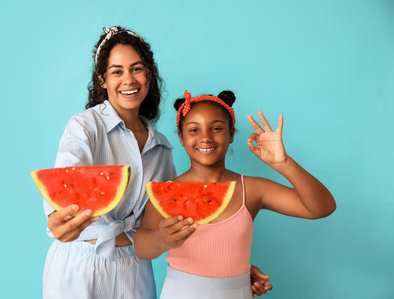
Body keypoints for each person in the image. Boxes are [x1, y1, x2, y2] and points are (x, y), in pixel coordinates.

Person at [42, 27, 272, 299]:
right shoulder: (84, 127)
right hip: (82, 263)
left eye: (137, 69)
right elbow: (64, 193)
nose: (129, 79)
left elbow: (180, 220)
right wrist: (56, 220)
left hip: (136, 266)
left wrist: (233, 270)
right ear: (102, 80)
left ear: (149, 75)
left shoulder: (160, 145)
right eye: (117, 71)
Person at [134, 90, 336, 298]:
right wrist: (161, 239)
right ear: (182, 138)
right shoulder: (167, 191)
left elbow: (321, 208)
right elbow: (141, 247)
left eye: (216, 128)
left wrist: (283, 163)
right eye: (194, 130)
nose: (205, 137)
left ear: (231, 134)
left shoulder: (253, 189)